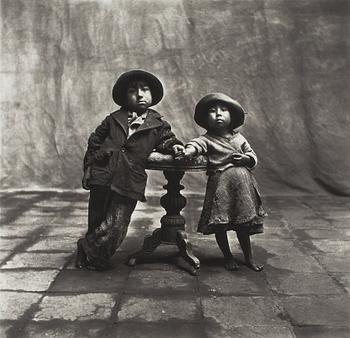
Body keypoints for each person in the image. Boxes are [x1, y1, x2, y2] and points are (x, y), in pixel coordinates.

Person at [76, 69, 183, 270]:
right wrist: (88, 168)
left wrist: (175, 146)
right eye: (133, 90)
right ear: (124, 97)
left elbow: (167, 140)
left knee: (117, 223)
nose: (140, 94)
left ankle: (87, 247)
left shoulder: (158, 124)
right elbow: (95, 142)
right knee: (97, 219)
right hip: (102, 172)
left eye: (145, 90)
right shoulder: (113, 119)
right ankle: (95, 257)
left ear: (152, 95)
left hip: (129, 179)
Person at [174, 93, 266, 271]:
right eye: (212, 111)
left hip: (243, 189)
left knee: (243, 224)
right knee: (220, 224)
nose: (218, 114)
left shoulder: (239, 138)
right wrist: (188, 151)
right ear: (205, 118)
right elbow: (195, 145)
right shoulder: (206, 139)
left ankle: (249, 257)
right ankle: (228, 256)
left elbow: (253, 155)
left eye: (223, 110)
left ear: (232, 116)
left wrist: (246, 159)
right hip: (220, 187)